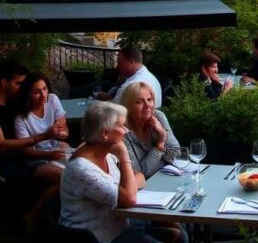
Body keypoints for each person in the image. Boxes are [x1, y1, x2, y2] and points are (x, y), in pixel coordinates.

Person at [60, 101, 184, 243]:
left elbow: (140, 177)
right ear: (105, 133)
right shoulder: (81, 168)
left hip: (121, 227)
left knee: (178, 234)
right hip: (98, 237)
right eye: (121, 125)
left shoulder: (107, 155)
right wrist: (124, 156)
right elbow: (129, 199)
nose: (126, 131)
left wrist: (126, 189)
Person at [0, 60, 61, 224]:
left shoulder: (14, 102)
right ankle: (30, 218)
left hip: (23, 157)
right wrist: (42, 137)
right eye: (19, 83)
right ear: (3, 82)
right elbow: (0, 144)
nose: (23, 87)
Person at [14, 72, 70, 190]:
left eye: (44, 89)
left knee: (83, 167)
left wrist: (63, 133)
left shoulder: (52, 99)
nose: (43, 95)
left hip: (56, 148)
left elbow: (64, 126)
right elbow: (27, 151)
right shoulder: (21, 119)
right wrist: (49, 153)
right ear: (27, 94)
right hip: (36, 159)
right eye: (37, 92)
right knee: (66, 176)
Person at [121, 82, 179, 179]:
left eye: (149, 99)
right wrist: (160, 143)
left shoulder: (158, 116)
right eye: (139, 102)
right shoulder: (123, 131)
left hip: (167, 178)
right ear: (128, 106)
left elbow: (177, 156)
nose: (147, 105)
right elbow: (140, 175)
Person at [95, 46, 163, 107]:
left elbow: (114, 111)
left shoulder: (130, 86)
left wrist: (95, 102)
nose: (117, 67)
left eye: (120, 62)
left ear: (131, 63)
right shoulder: (150, 77)